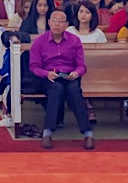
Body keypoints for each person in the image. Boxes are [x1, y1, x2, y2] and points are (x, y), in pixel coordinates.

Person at [29, 9, 95, 149]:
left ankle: (88, 133)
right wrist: (46, 73)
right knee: (56, 88)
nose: (57, 24)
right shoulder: (39, 42)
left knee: (74, 91)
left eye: (61, 21)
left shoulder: (74, 41)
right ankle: (47, 132)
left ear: (66, 25)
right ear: (49, 22)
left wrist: (76, 73)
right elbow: (34, 67)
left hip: (69, 76)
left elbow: (81, 65)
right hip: (48, 78)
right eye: (54, 21)